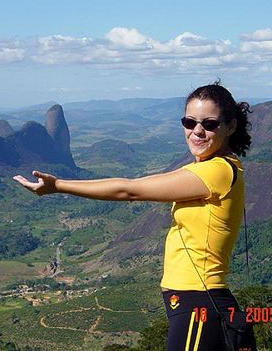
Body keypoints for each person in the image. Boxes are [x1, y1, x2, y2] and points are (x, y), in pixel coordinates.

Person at [13, 82, 254, 351]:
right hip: (198, 303)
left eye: (209, 124)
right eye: (189, 121)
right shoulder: (215, 167)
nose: (197, 131)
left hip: (199, 304)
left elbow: (130, 190)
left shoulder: (216, 172)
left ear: (230, 126)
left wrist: (58, 186)